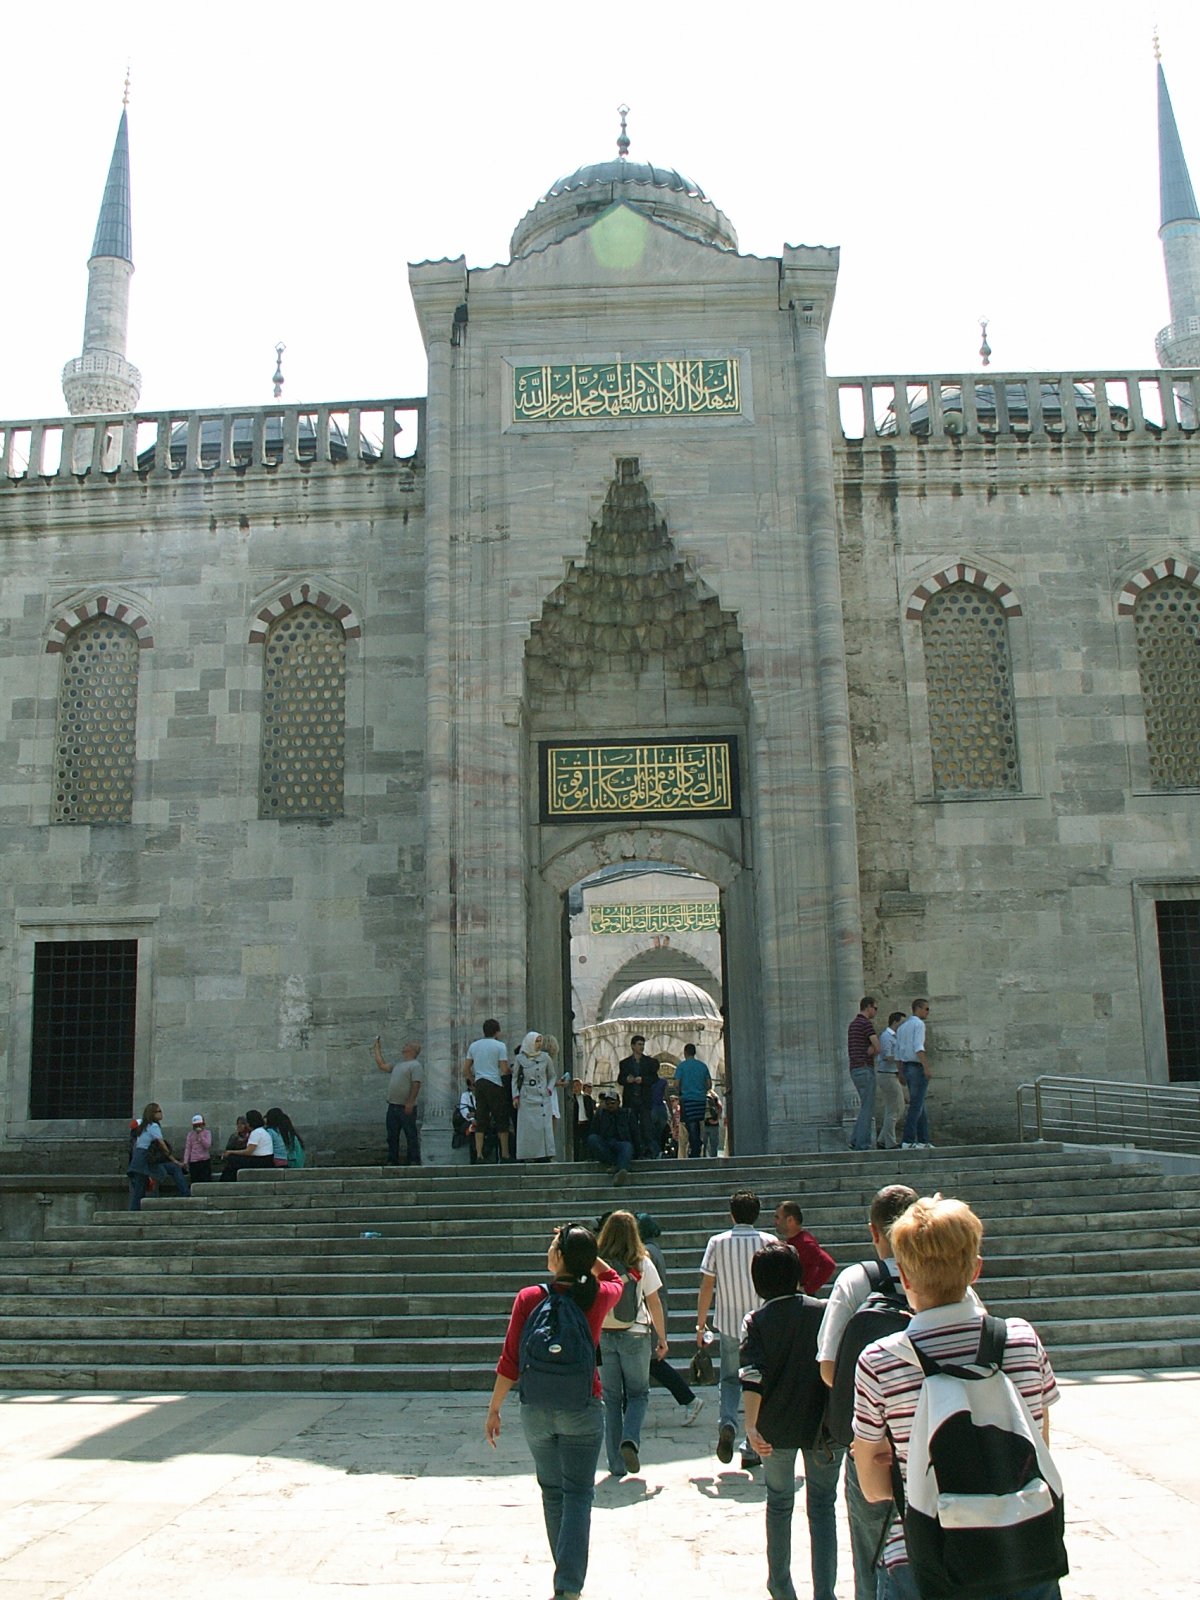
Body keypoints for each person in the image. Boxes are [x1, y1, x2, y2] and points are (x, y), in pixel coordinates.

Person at [852, 1195, 1062, 1600]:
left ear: (906, 1278)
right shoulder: (1020, 1339)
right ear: (976, 1269)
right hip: (1023, 1550)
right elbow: (1040, 1444)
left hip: (924, 1559)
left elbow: (874, 1486)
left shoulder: (879, 1362)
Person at [485, 1223, 622, 1600]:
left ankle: (563, 1574)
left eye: (552, 1246)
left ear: (559, 1257)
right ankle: (569, 1585)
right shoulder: (596, 1295)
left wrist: (494, 1409)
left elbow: (510, 1359)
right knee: (580, 1493)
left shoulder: (529, 1297)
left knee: (552, 1492)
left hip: (537, 1407)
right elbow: (615, 1278)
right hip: (583, 1404)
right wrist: (586, 1251)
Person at [817, 1184, 919, 1600]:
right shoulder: (945, 1276)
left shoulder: (857, 1280)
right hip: (937, 1441)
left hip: (874, 1445)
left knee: (871, 1558)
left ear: (873, 1231)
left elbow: (828, 1369)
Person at [741, 1242, 840, 1600]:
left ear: (758, 1283)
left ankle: (780, 1586)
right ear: (798, 1275)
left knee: (779, 1503)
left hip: (775, 1427)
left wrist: (751, 1426)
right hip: (824, 1427)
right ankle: (825, 1592)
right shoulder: (826, 1312)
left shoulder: (756, 1321)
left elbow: (753, 1376)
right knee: (823, 1506)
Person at [696, 1189, 777, 1469]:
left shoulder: (717, 1242)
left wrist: (701, 1322)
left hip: (729, 1323)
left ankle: (727, 1423)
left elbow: (707, 1284)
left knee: (729, 1379)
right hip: (763, 1323)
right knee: (760, 1381)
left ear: (732, 1214)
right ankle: (752, 1445)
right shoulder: (769, 1242)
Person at [594, 1210, 668, 1478]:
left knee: (611, 1399)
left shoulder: (598, 1264)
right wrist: (662, 1337)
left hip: (605, 1334)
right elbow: (654, 1301)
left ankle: (615, 1463)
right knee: (638, 1394)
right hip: (636, 1333)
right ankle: (631, 1439)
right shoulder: (640, 1261)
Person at [637, 1211, 704, 1426]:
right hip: (654, 1312)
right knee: (649, 1364)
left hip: (648, 1315)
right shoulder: (654, 1249)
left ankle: (690, 1400)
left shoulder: (647, 1252)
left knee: (651, 1364)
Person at [464, 1019, 512, 1163]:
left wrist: (472, 1081)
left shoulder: (474, 1046)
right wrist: (511, 1072)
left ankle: (479, 1154)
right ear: (497, 1031)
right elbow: (504, 1069)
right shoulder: (500, 1046)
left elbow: (466, 1068)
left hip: (480, 1083)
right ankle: (505, 1154)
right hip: (495, 1084)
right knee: (501, 1119)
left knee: (481, 1119)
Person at [127, 1103, 190, 1210]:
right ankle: (186, 1195)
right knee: (139, 1192)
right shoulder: (153, 1126)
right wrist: (175, 1160)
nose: (161, 1114)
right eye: (159, 1111)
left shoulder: (143, 1126)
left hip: (140, 1160)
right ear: (152, 1113)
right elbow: (163, 1145)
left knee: (139, 1190)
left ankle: (135, 1212)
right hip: (144, 1161)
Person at [374, 1036, 422, 1166]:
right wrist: (377, 1048)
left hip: (405, 1106)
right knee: (392, 1136)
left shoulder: (415, 1065)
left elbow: (416, 1084)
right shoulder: (398, 1065)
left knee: (410, 1134)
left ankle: (414, 1160)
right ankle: (392, 1159)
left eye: (407, 1045)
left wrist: (410, 1102)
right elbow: (382, 1065)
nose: (404, 1046)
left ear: (412, 1050)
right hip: (393, 1105)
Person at [513, 1030, 559, 1161]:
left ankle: (544, 1154)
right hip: (527, 1097)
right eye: (536, 1041)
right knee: (528, 1128)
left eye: (540, 1041)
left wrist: (549, 1089)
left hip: (542, 1097)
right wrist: (515, 1096)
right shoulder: (520, 1059)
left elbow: (552, 1075)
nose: (539, 1044)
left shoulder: (545, 1058)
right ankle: (527, 1154)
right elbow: (515, 1078)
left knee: (543, 1127)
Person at [774, 1201, 836, 1295]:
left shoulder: (806, 1243)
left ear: (790, 1220)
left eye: (777, 1217)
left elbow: (828, 1264)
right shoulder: (794, 1241)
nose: (775, 1222)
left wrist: (807, 1289)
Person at [895, 999, 932, 1148]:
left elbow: (898, 1051)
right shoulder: (919, 1024)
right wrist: (926, 1067)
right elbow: (918, 1047)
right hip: (916, 1067)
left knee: (920, 1104)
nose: (928, 1012)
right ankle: (908, 1140)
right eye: (926, 1009)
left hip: (907, 1067)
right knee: (916, 1105)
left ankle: (923, 1140)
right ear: (918, 1008)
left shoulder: (902, 1027)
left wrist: (900, 1071)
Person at [586, 1088, 636, 1186]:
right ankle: (616, 1164)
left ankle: (621, 1171)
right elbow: (593, 1132)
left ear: (618, 1103)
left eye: (612, 1103)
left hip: (621, 1144)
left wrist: (639, 1152)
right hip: (606, 1144)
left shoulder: (627, 1114)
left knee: (627, 1146)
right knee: (592, 1139)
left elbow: (635, 1133)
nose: (610, 1106)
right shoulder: (600, 1115)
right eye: (608, 1103)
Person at [848, 996, 880, 1151]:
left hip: (855, 1070)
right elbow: (877, 1046)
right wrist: (873, 1050)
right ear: (868, 1007)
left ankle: (855, 1139)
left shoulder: (853, 1024)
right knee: (868, 1108)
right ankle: (862, 1144)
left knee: (864, 1107)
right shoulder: (866, 1024)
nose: (876, 1011)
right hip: (865, 1069)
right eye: (875, 1008)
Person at [616, 1035, 656, 1156]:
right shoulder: (625, 1063)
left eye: (643, 1044)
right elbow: (620, 1079)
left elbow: (654, 1078)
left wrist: (642, 1079)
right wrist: (627, 1079)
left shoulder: (649, 1062)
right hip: (631, 1099)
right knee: (631, 1126)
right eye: (639, 1044)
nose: (641, 1047)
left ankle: (648, 1151)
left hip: (644, 1099)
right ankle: (633, 1151)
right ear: (633, 1046)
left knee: (646, 1127)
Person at [674, 1042, 712, 1158]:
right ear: (694, 1053)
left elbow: (676, 1084)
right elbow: (709, 1084)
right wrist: (701, 1091)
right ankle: (696, 1147)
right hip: (700, 1101)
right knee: (697, 1123)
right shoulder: (702, 1066)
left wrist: (680, 1092)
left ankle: (695, 1149)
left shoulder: (681, 1066)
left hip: (687, 1100)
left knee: (691, 1125)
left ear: (685, 1053)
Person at [876, 1012, 906, 1151]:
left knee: (893, 1109)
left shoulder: (894, 1037)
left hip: (891, 1074)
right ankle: (890, 1142)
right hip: (887, 1074)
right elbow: (887, 1056)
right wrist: (901, 1057)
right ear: (895, 1022)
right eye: (901, 1022)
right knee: (896, 1108)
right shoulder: (886, 1036)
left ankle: (883, 1140)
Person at [220, 1109, 275, 1181]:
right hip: (266, 1159)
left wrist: (231, 1152)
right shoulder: (261, 1131)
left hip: (261, 1161)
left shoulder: (256, 1133)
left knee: (232, 1159)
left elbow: (248, 1151)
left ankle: (226, 1180)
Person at [182, 1113, 212, 1184]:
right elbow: (188, 1148)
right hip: (194, 1161)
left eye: (199, 1125)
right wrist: (185, 1161)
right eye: (196, 1126)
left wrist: (200, 1137)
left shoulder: (207, 1133)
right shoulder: (190, 1135)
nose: (198, 1127)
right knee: (195, 1180)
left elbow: (207, 1145)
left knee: (206, 1180)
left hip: (205, 1160)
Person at [570, 1080, 595, 1162]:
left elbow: (590, 1111)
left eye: (577, 1085)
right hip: (576, 1123)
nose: (576, 1088)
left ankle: (587, 1157)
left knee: (586, 1141)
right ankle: (576, 1159)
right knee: (576, 1142)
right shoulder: (571, 1099)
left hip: (586, 1123)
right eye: (574, 1086)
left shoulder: (586, 1098)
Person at [702, 1088, 723, 1158]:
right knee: (714, 1146)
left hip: (703, 1123)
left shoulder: (700, 1094)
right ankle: (713, 1162)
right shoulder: (714, 1096)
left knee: (703, 1145)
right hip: (714, 1123)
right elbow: (720, 1106)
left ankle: (703, 1162)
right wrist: (717, 1119)